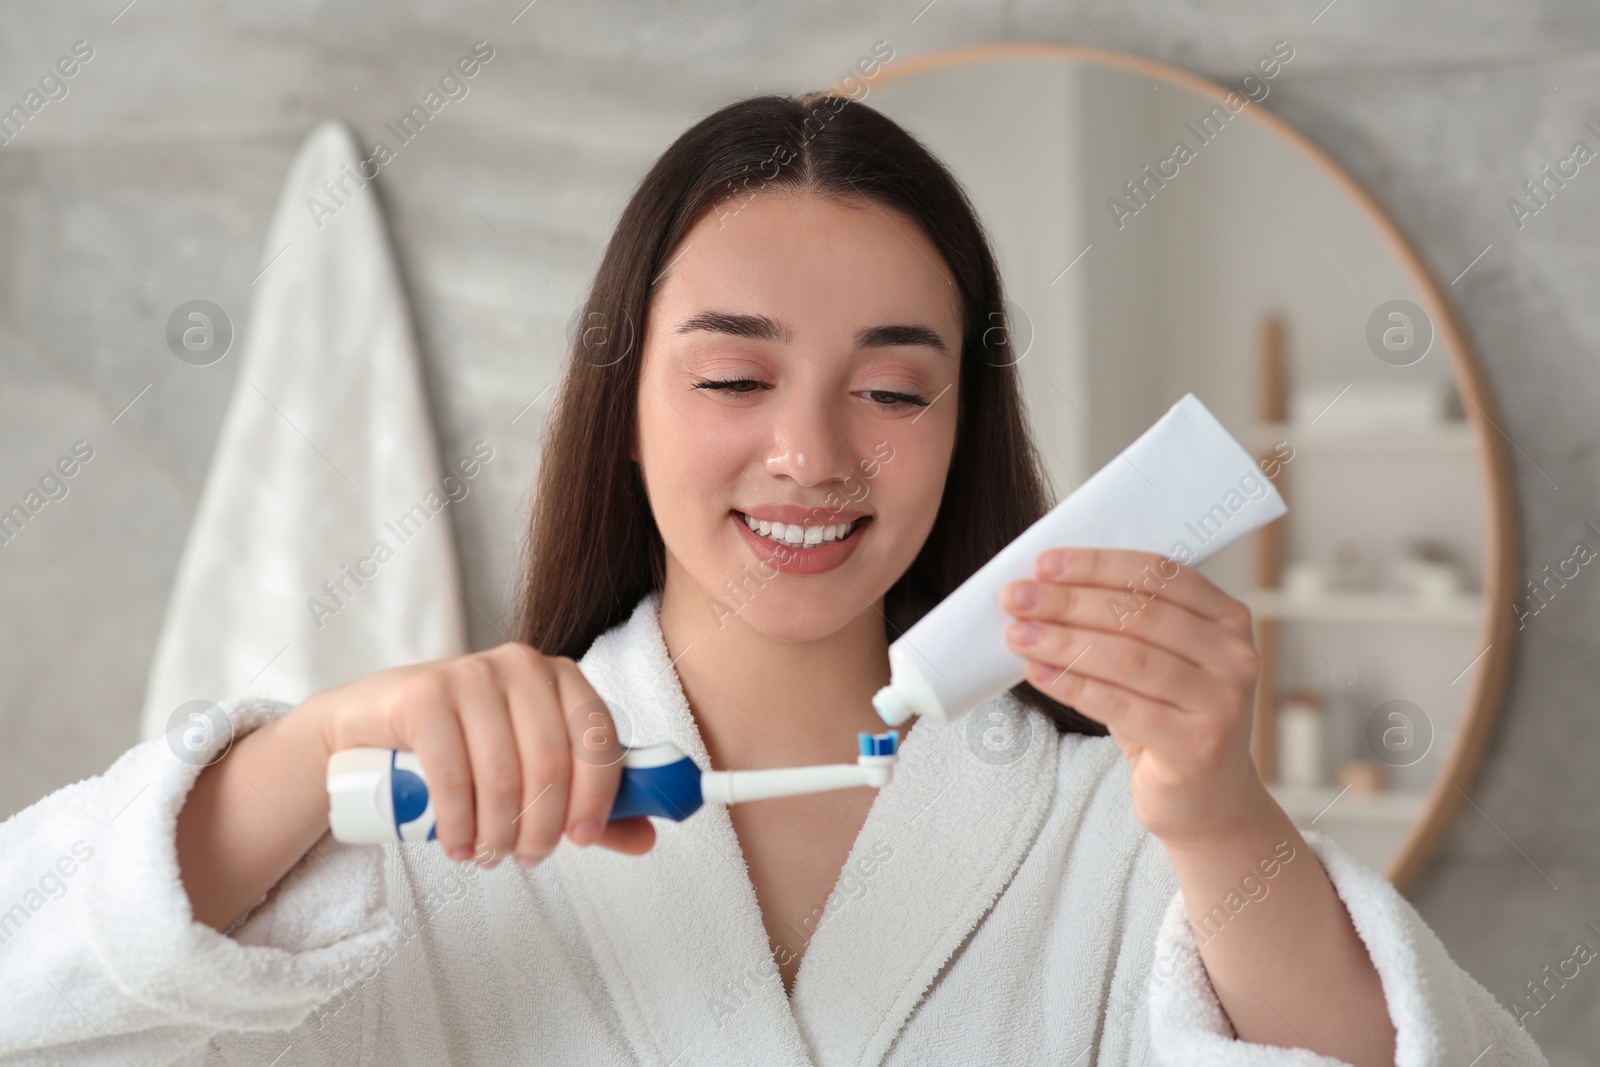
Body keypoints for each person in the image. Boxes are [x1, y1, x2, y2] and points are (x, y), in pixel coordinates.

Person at [0, 92, 1546, 1067]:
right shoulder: (426, 817)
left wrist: (1221, 818)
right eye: (734, 381)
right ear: (624, 404)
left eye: (891, 391)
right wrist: (317, 752)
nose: (811, 454)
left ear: (964, 425)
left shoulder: (1118, 840)